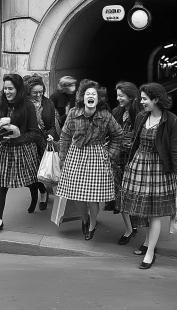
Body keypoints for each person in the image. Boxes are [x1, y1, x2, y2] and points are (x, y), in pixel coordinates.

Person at [116, 82, 177, 270]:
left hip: (159, 170)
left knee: (154, 213)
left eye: (145, 99)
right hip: (139, 167)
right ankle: (148, 242)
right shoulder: (140, 116)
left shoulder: (171, 120)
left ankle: (150, 252)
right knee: (141, 210)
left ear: (156, 99)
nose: (141, 101)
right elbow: (136, 141)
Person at [56, 79, 123, 240]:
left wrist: (110, 154)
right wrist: (63, 158)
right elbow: (65, 135)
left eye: (94, 94)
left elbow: (118, 135)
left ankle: (92, 223)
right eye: (87, 94)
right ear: (82, 97)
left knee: (93, 197)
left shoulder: (105, 116)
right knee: (77, 195)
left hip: (96, 157)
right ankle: (85, 219)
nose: (90, 96)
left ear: (98, 99)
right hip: (75, 155)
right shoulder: (73, 112)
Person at [0, 73, 41, 235]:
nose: (7, 91)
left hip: (23, 148)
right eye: (5, 88)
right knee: (3, 186)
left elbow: (35, 133)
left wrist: (17, 135)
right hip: (4, 148)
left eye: (11, 88)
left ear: (19, 89)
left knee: (29, 179)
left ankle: (36, 196)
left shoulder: (28, 106)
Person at [111, 81, 143, 245]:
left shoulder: (141, 115)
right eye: (117, 95)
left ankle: (134, 224)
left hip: (134, 160)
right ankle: (129, 229)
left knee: (134, 195)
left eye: (121, 96)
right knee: (122, 196)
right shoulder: (116, 112)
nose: (118, 99)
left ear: (131, 96)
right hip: (118, 160)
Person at [23, 74, 58, 212]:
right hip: (29, 141)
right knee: (33, 171)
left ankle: (43, 193)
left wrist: (50, 136)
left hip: (45, 140)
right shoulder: (24, 103)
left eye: (41, 92)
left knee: (43, 169)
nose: (39, 95)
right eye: (35, 92)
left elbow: (52, 125)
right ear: (28, 92)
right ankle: (42, 191)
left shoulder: (48, 103)